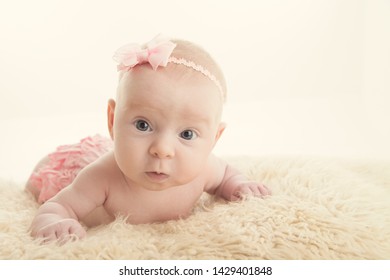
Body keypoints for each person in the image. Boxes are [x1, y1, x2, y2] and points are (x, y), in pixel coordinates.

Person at [26, 35, 271, 243]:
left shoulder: (205, 168)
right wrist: (54, 222)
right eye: (143, 125)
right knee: (44, 176)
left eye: (187, 134)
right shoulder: (101, 177)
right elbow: (58, 207)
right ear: (113, 120)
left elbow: (227, 175)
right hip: (76, 170)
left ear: (214, 139)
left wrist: (240, 185)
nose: (162, 150)